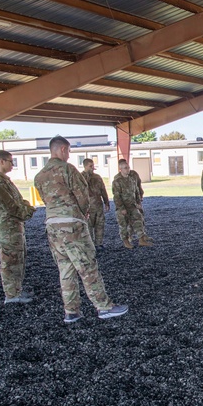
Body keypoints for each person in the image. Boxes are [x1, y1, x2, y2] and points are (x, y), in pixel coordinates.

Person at [34, 136, 127, 323]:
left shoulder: (40, 175)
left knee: (65, 269)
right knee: (87, 266)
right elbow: (82, 195)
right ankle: (104, 306)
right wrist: (83, 214)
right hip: (72, 224)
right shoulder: (68, 169)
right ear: (62, 150)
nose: (68, 155)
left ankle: (71, 311)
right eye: (68, 151)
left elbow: (45, 200)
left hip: (52, 226)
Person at [0, 150, 36, 304]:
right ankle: (11, 294)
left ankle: (16, 289)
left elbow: (18, 201)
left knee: (18, 258)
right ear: (1, 161)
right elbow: (11, 206)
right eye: (10, 161)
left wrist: (25, 207)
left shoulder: (2, 180)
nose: (12, 165)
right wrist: (28, 211)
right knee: (9, 260)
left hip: (13, 226)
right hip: (6, 226)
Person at [112, 159, 154, 248]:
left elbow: (136, 191)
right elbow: (116, 196)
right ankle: (126, 241)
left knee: (138, 220)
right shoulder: (117, 181)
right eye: (125, 168)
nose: (128, 169)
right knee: (124, 224)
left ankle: (141, 239)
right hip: (123, 207)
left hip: (133, 205)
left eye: (128, 167)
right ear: (121, 169)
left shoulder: (131, 179)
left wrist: (138, 202)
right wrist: (121, 208)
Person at [81, 158, 110, 248]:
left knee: (100, 225)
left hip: (98, 205)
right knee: (88, 227)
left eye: (93, 165)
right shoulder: (80, 177)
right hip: (87, 207)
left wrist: (106, 202)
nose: (93, 168)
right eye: (90, 166)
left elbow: (103, 190)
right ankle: (90, 246)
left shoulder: (97, 177)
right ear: (85, 166)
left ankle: (99, 244)